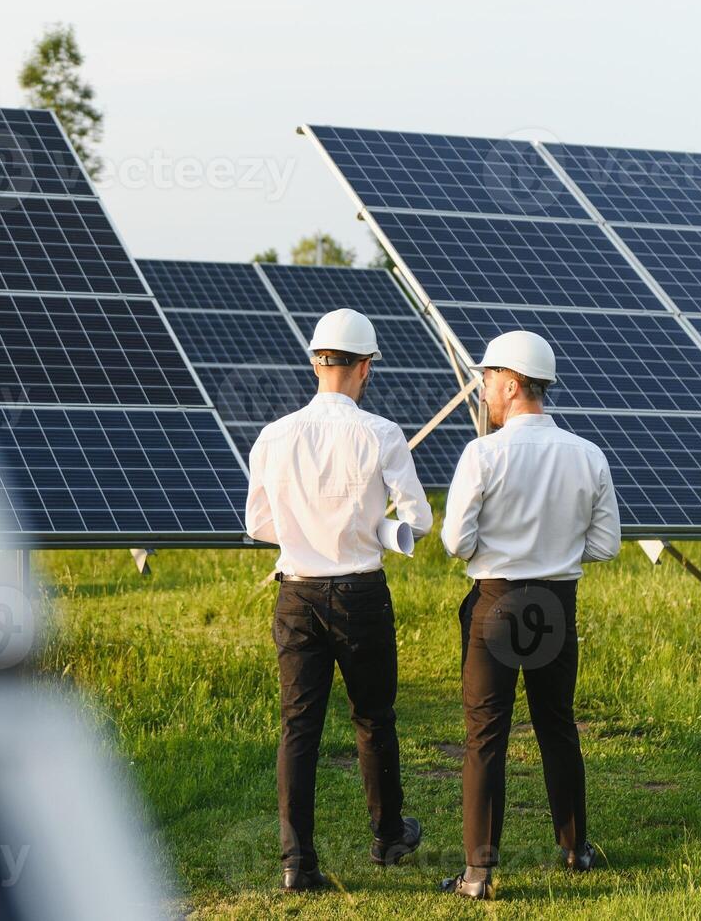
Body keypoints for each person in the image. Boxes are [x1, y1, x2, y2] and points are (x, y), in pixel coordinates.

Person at [246, 308, 433, 893]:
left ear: (315, 362)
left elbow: (258, 524)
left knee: (298, 728)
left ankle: (296, 865)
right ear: (366, 368)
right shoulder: (380, 433)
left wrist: (310, 530)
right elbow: (418, 521)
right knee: (373, 718)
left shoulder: (274, 435)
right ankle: (387, 837)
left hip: (296, 595)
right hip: (361, 596)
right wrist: (369, 528)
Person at [438, 330, 621, 900]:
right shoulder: (587, 454)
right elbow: (608, 544)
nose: (485, 390)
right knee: (557, 728)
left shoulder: (483, 453)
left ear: (512, 384)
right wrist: (560, 551)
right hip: (557, 605)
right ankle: (575, 850)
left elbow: (454, 542)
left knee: (485, 737)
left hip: (496, 603)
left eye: (489, 380)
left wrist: (495, 551)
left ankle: (478, 875)